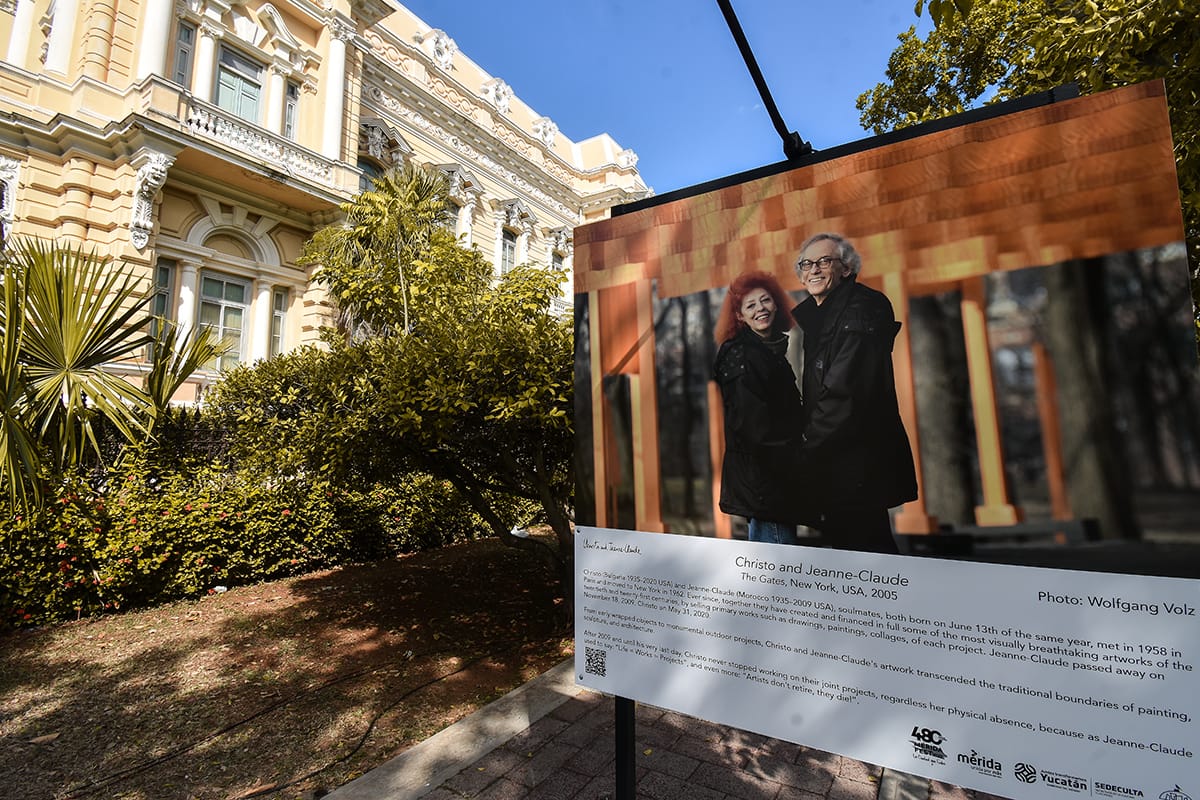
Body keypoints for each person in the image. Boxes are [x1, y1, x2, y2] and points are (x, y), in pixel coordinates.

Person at [790, 233, 917, 554]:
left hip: (856, 456)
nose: (813, 270)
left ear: (846, 268)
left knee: (867, 553)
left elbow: (844, 392)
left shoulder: (862, 307)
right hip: (834, 455)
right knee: (850, 549)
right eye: (806, 264)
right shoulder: (817, 316)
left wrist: (807, 447)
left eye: (824, 261)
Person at [713, 270, 805, 544]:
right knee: (777, 571)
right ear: (739, 316)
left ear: (776, 304)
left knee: (775, 568)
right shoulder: (741, 354)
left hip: (778, 477)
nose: (760, 309)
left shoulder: (769, 351)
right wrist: (800, 452)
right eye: (750, 305)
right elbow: (753, 427)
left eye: (765, 301)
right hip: (766, 481)